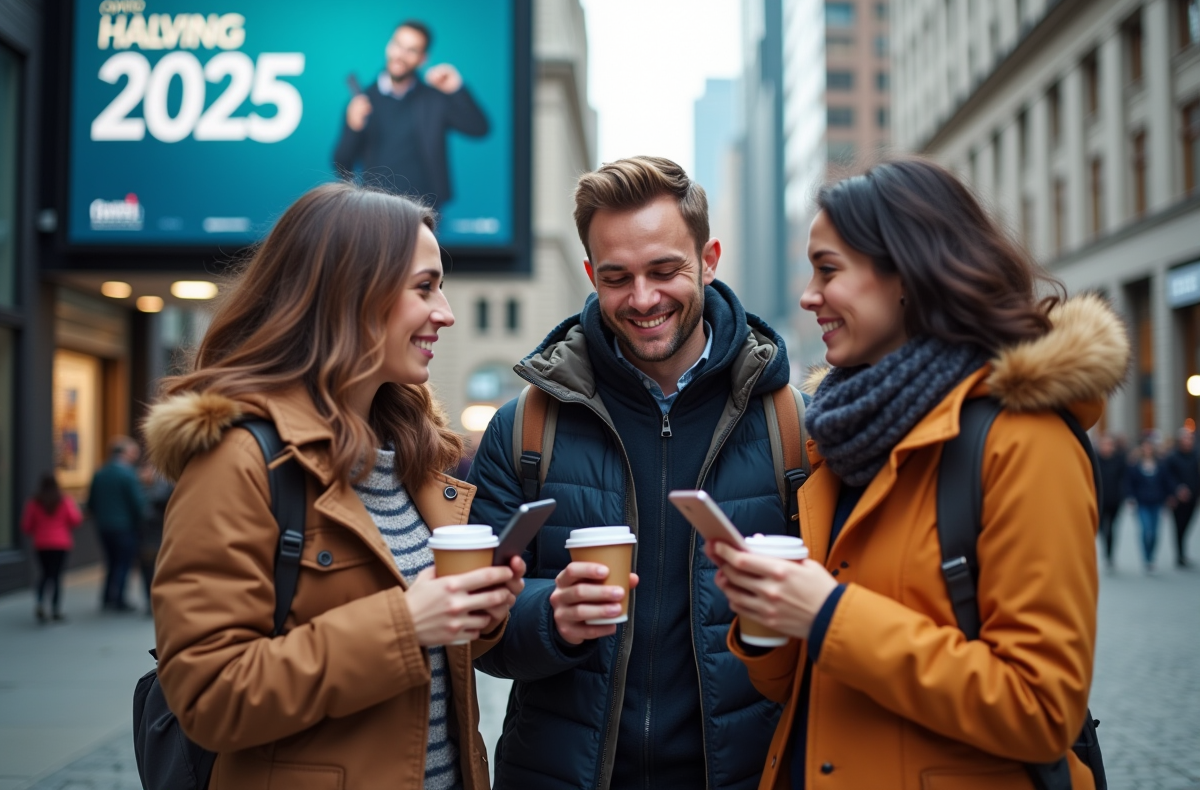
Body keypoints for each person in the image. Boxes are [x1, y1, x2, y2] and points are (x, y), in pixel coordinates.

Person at [709, 158, 1128, 789]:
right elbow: (800, 682)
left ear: (906, 273)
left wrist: (827, 614)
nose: (807, 295)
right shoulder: (844, 438)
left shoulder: (1023, 438)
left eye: (828, 269)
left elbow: (1041, 709)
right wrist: (768, 620)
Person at [142, 183, 523, 789]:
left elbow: (423, 659)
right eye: (425, 287)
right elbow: (210, 695)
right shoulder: (240, 458)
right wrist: (406, 623)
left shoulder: (411, 457)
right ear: (352, 293)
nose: (445, 311)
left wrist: (476, 612)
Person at [469, 156, 795, 789]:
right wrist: (549, 617)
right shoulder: (525, 428)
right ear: (591, 275)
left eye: (665, 270)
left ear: (710, 259)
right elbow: (478, 631)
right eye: (617, 277)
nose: (643, 299)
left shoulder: (791, 427)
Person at [333, 20, 489, 207]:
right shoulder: (363, 102)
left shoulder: (434, 99)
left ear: (423, 58)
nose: (401, 55)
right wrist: (353, 128)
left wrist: (457, 89)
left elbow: (479, 128)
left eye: (412, 50)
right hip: (376, 209)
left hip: (426, 209)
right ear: (389, 46)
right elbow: (342, 165)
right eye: (398, 45)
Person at [88, 436, 146, 611]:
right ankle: (118, 599)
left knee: (111, 562)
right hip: (124, 526)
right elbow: (138, 504)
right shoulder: (128, 474)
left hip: (104, 526)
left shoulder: (100, 472)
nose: (136, 455)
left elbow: (92, 502)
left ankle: (107, 597)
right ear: (124, 453)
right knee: (123, 563)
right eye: (133, 452)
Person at [21, 473, 83, 622]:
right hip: (60, 543)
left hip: (41, 544)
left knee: (44, 574)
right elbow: (76, 519)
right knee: (56, 576)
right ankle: (55, 609)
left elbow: (26, 526)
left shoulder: (34, 502)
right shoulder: (64, 500)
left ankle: (40, 603)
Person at [1125, 438, 1175, 573]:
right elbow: (1130, 482)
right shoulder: (1135, 465)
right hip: (1142, 502)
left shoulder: (1160, 464)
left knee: (1154, 531)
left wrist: (1171, 495)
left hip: (1157, 501)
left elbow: (1167, 481)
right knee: (1145, 529)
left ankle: (1151, 555)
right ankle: (1146, 557)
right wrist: (1130, 497)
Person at [136, 464, 172, 615]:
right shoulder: (138, 488)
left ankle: (158, 601)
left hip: (157, 535)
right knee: (148, 570)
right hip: (147, 537)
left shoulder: (162, 488)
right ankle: (151, 601)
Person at [1165, 427, 1198, 567]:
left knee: (1187, 524)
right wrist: (1177, 490)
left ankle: (1182, 551)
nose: (1188, 441)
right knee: (1178, 526)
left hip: (1193, 496)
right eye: (1185, 438)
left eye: (1190, 438)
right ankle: (1179, 554)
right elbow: (1167, 476)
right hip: (1177, 498)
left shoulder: (1196, 455)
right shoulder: (1172, 456)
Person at [1096, 433, 1126, 570]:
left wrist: (1123, 495)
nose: (1107, 447)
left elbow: (1124, 479)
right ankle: (1105, 552)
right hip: (1099, 500)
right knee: (1102, 528)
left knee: (1112, 528)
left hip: (1114, 501)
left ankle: (1109, 554)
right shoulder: (1095, 459)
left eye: (1109, 444)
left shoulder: (1119, 460)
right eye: (1104, 444)